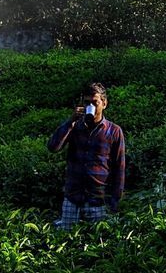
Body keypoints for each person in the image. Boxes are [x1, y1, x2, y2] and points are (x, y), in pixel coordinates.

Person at [47, 81, 125, 230]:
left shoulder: (114, 131)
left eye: (95, 103)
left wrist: (115, 203)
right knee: (66, 241)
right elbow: (53, 147)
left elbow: (119, 169)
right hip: (73, 197)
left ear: (104, 103)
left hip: (98, 200)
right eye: (87, 102)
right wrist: (70, 122)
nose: (92, 107)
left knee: (97, 244)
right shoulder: (74, 127)